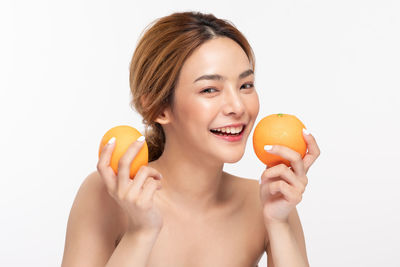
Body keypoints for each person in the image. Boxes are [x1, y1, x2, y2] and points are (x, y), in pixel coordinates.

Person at [61, 11, 320, 267]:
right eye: (209, 89)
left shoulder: (268, 201)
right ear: (159, 107)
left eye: (246, 85)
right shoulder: (108, 194)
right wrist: (141, 232)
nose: (238, 106)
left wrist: (278, 223)